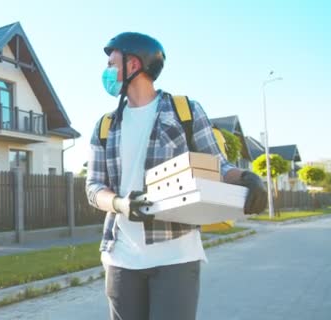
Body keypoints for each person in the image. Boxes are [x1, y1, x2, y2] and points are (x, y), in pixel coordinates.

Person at [85, 32, 267, 320]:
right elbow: (94, 187)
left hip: (176, 255)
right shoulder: (105, 126)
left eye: (111, 63)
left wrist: (247, 177)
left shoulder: (185, 111)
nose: (107, 71)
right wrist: (121, 204)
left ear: (133, 64)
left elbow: (217, 165)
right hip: (122, 256)